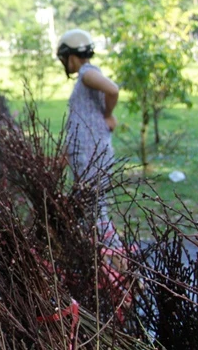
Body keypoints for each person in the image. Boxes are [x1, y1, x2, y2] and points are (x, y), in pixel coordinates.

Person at [56, 29, 121, 250]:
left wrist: (108, 114)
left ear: (71, 56)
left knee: (95, 211)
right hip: (86, 152)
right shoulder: (85, 77)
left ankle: (117, 258)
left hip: (91, 154)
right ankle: (95, 258)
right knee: (88, 210)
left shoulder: (87, 73)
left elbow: (113, 90)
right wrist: (66, 155)